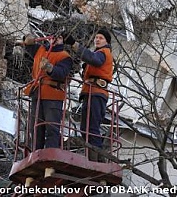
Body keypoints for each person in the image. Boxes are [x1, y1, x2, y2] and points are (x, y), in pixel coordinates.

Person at [63, 29, 113, 161]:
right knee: (85, 128)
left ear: (107, 41)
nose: (97, 39)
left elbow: (92, 59)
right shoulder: (99, 53)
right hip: (90, 92)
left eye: (101, 38)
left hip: (97, 93)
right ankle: (94, 158)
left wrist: (74, 44)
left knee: (92, 127)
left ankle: (98, 160)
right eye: (96, 37)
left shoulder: (103, 53)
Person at [22, 33, 73, 150]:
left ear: (63, 41)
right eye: (54, 37)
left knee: (52, 127)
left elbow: (61, 73)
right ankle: (35, 153)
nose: (55, 39)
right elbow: (28, 44)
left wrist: (50, 68)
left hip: (53, 95)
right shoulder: (40, 50)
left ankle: (51, 155)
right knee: (35, 128)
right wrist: (27, 39)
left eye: (59, 38)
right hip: (37, 94)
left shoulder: (65, 56)